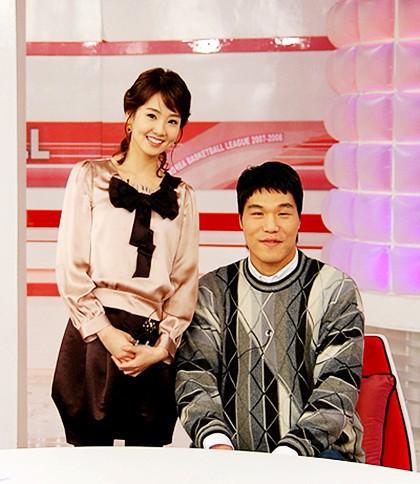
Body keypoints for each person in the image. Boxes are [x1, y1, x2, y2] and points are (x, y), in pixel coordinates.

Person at [175, 161, 365, 461]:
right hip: (229, 456)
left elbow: (338, 385)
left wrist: (289, 453)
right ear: (241, 220)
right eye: (258, 213)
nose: (271, 226)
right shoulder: (211, 290)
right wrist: (216, 442)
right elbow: (195, 373)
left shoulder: (335, 289)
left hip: (318, 455)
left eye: (283, 213)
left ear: (299, 219)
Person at [52, 67, 199, 447]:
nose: (160, 129)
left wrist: (162, 348)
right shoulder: (90, 177)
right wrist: (104, 332)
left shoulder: (183, 196)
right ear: (130, 116)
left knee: (147, 462)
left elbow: (184, 281)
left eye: (172, 120)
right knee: (90, 461)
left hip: (151, 341)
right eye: (152, 115)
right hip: (95, 333)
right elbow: (71, 267)